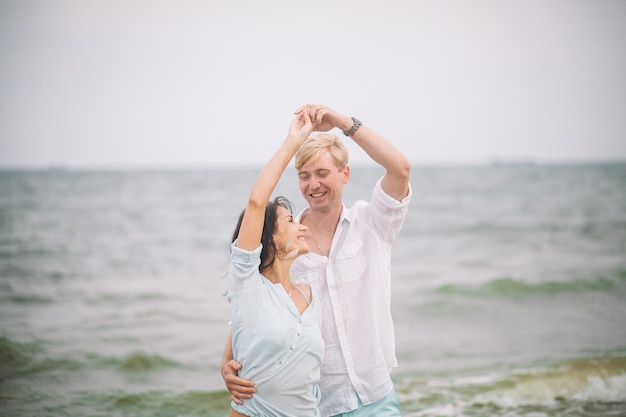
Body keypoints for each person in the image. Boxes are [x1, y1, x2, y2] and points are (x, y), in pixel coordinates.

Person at [222, 104, 412, 417]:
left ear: (345, 174)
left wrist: (341, 122)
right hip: (317, 406)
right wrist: (227, 359)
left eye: (323, 173)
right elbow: (252, 305)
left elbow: (400, 168)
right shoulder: (286, 244)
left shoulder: (372, 223)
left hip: (376, 398)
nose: (314, 185)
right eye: (304, 176)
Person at [225, 107, 325, 417]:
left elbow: (244, 329)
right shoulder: (248, 284)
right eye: (292, 220)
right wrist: (294, 141)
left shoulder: (310, 295)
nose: (303, 226)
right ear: (269, 236)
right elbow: (257, 201)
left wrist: (227, 355)